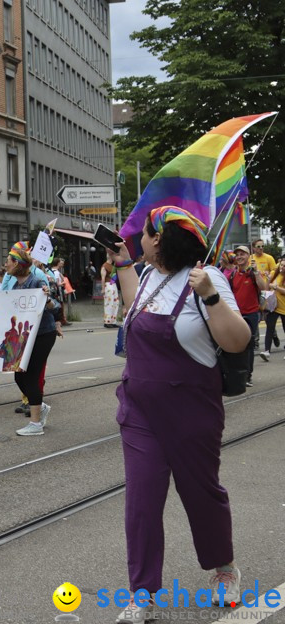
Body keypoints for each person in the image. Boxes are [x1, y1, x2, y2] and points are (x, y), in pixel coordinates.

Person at [109, 206, 250, 623]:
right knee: (142, 502)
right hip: (139, 410)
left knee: (201, 494)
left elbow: (238, 341)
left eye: (147, 233)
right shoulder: (150, 274)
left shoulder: (208, 279)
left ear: (163, 240)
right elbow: (138, 307)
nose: (141, 238)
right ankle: (143, 594)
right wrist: (121, 264)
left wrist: (209, 293)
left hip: (192, 411)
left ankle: (224, 570)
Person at [1, 242, 59, 436]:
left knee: (31, 375)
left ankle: (35, 424)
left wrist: (47, 298)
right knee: (19, 375)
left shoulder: (36, 282)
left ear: (17, 263)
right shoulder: (16, 284)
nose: (5, 265)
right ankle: (39, 406)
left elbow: (55, 307)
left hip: (43, 334)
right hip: (23, 336)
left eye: (8, 261)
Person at [227, 245, 267, 384]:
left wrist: (256, 273)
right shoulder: (232, 274)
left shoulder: (252, 273)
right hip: (235, 314)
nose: (239, 257)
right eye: (237, 254)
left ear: (248, 256)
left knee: (248, 346)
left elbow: (264, 287)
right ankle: (235, 373)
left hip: (251, 314)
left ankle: (247, 375)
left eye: (242, 254)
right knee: (234, 345)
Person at [264, 260, 285, 359]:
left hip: (284, 308)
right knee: (270, 328)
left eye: (284, 266)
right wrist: (268, 280)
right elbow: (266, 288)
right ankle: (266, 351)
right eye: (281, 265)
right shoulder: (274, 274)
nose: (282, 267)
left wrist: (276, 287)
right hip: (274, 307)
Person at [102, 261, 120, 328]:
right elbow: (103, 277)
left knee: (115, 303)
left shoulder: (113, 266)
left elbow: (114, 277)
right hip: (108, 284)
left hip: (113, 284)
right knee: (109, 303)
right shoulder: (105, 266)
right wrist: (103, 288)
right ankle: (107, 321)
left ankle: (113, 321)